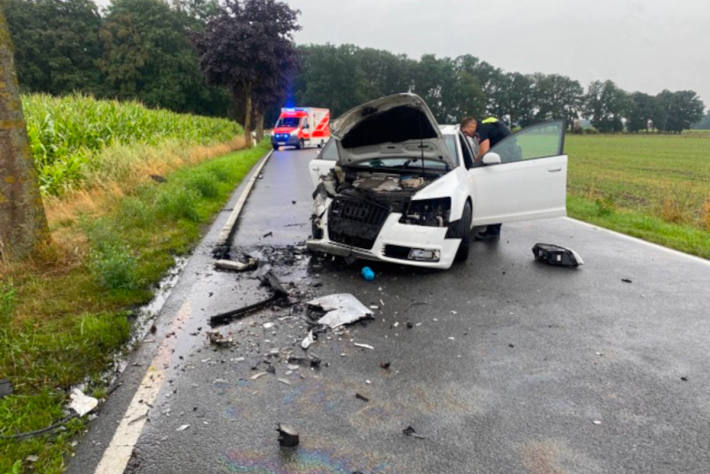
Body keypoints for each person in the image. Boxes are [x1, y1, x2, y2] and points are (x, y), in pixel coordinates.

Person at [459, 116, 512, 241]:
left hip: (504, 162)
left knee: (495, 197)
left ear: (471, 125)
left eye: (465, 132)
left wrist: (473, 166)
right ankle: (493, 230)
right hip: (508, 160)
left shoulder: (481, 128)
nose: (467, 136)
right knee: (497, 196)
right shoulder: (487, 125)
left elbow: (483, 150)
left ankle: (493, 232)